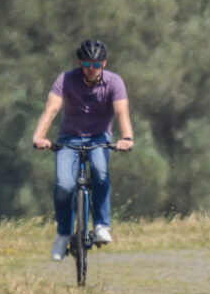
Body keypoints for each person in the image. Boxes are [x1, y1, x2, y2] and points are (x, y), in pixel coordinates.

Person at [31, 39, 134, 259]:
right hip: (69, 137)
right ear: (79, 63)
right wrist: (40, 136)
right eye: (87, 64)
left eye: (96, 64)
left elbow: (122, 113)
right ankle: (63, 235)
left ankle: (101, 225)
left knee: (100, 171)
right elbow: (51, 109)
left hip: (99, 137)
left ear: (104, 64)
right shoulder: (66, 79)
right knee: (64, 186)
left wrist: (126, 138)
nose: (91, 69)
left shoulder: (114, 82)